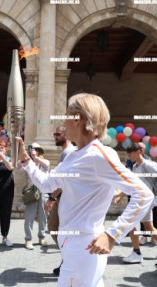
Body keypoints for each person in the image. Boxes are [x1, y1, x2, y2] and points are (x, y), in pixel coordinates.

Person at [17, 93, 153, 287]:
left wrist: (112, 235)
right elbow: (48, 184)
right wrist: (26, 162)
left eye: (66, 116)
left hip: (85, 249)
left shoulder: (100, 154)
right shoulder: (73, 156)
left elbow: (143, 194)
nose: (63, 122)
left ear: (78, 118)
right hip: (72, 249)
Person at [115, 143, 157, 264]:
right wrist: (121, 195)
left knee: (130, 223)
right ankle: (136, 253)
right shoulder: (134, 167)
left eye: (130, 152)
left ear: (138, 152)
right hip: (141, 201)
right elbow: (132, 185)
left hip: (146, 201)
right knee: (149, 228)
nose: (128, 155)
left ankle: (136, 252)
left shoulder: (148, 165)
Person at [45, 126, 76, 275]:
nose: (55, 137)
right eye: (54, 134)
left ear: (67, 134)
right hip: (61, 197)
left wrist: (52, 197)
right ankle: (69, 259)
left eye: (58, 134)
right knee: (54, 228)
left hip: (64, 198)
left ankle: (70, 260)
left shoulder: (69, 152)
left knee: (56, 228)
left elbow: (65, 180)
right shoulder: (66, 152)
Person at [23, 143, 50, 250]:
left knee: (43, 216)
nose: (33, 151)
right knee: (29, 216)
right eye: (32, 149)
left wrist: (35, 158)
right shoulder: (28, 163)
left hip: (43, 190)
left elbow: (46, 165)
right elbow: (20, 167)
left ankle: (42, 237)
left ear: (39, 151)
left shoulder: (44, 161)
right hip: (31, 191)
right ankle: (28, 239)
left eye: (35, 149)